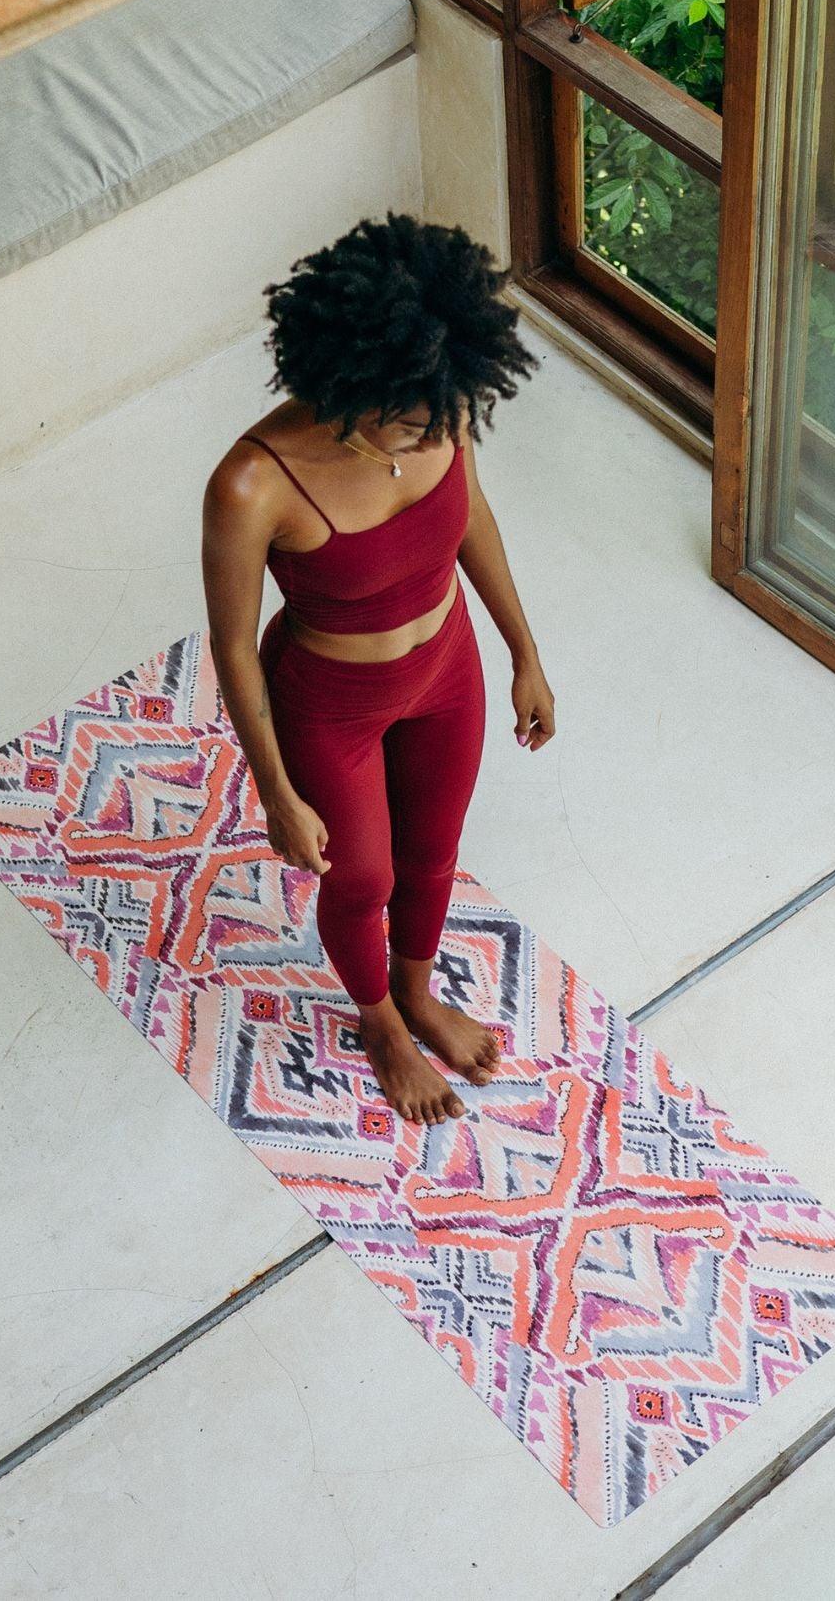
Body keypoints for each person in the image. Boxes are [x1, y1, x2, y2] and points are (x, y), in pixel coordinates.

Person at [200, 214, 556, 1124]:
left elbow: (473, 519)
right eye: (404, 424)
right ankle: (381, 1024)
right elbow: (233, 646)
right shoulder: (252, 484)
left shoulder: (439, 401)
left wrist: (524, 652)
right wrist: (276, 792)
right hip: (331, 704)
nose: (427, 437)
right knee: (363, 879)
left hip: (447, 670)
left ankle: (417, 993)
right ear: (350, 381)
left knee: (433, 853)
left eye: (439, 419)